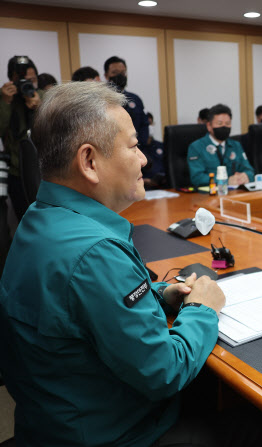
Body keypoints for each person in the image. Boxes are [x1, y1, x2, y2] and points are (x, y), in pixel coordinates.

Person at [0, 81, 226, 446]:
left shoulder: (38, 218)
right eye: (134, 146)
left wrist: (159, 292)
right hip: (118, 433)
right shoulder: (96, 252)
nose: (145, 159)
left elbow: (78, 307)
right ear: (89, 161)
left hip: (49, 422)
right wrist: (202, 308)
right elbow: (164, 372)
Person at [0, 55, 43, 221]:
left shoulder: (43, 96)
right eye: (22, 79)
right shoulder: (5, 98)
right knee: (25, 220)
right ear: (11, 79)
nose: (27, 83)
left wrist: (40, 108)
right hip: (16, 171)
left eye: (31, 79)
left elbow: (57, 130)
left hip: (45, 171)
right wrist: (5, 102)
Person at [187, 103, 254, 186]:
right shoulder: (196, 147)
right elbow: (197, 178)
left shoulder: (236, 145)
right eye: (219, 123)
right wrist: (225, 181)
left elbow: (249, 170)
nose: (224, 126)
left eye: (227, 123)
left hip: (234, 194)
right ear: (209, 126)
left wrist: (246, 176)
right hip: (208, 195)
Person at [104, 55, 150, 149]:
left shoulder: (135, 99)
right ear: (106, 75)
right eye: (115, 72)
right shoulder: (102, 99)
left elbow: (144, 125)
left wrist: (137, 146)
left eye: (122, 72)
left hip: (137, 149)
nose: (120, 76)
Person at [142, 112, 167, 189]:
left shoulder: (161, 146)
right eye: (146, 124)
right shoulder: (136, 148)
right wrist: (144, 181)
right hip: (144, 190)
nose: (149, 127)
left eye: (150, 123)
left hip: (163, 188)